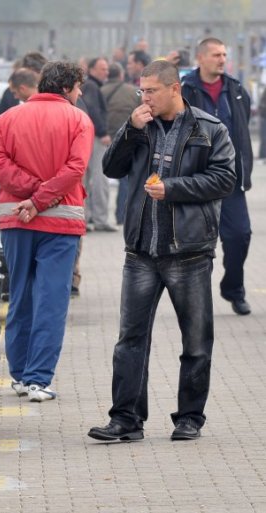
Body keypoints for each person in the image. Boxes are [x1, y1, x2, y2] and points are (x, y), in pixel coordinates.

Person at [88, 60, 235, 442]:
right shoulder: (140, 125)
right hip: (141, 250)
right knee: (130, 340)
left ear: (175, 89)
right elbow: (110, 169)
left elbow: (224, 179)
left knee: (196, 342)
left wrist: (174, 188)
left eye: (151, 90)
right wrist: (128, 131)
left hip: (188, 252)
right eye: (142, 90)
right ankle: (126, 419)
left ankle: (189, 418)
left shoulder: (209, 129)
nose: (145, 97)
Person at [0, 60, 93, 402]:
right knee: (52, 299)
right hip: (61, 223)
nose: (80, 94)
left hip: (16, 220)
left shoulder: (9, 118)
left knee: (20, 294)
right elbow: (76, 167)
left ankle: (18, 374)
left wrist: (30, 195)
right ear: (67, 87)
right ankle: (38, 379)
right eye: (78, 88)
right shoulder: (78, 119)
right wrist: (42, 197)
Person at [181, 37, 254, 316]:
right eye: (215, 54)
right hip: (197, 180)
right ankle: (195, 301)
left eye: (224, 54)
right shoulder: (185, 90)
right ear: (200, 58)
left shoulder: (236, 90)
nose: (222, 59)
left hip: (231, 180)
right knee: (197, 246)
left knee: (240, 236)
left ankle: (233, 288)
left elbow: (242, 127)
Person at [101, 62, 140, 225]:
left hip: (104, 138)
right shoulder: (132, 91)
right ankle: (122, 215)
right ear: (121, 75)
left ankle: (97, 214)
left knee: (100, 177)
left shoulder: (100, 91)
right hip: (126, 137)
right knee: (125, 178)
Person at [82, 57, 115, 232]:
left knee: (86, 179)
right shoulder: (92, 87)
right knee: (100, 177)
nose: (106, 72)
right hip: (95, 136)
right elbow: (93, 109)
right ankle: (100, 219)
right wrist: (102, 132)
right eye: (103, 69)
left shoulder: (89, 86)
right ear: (92, 69)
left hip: (87, 136)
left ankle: (85, 218)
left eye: (107, 69)